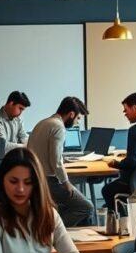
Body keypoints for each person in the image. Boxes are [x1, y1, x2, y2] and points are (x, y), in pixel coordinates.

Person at [26, 96, 94, 227]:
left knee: (67, 206)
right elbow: (56, 160)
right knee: (86, 207)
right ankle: (55, 230)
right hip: (49, 181)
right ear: (71, 114)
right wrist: (66, 182)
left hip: (35, 177)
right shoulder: (58, 127)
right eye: (78, 118)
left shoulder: (42, 123)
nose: (77, 123)